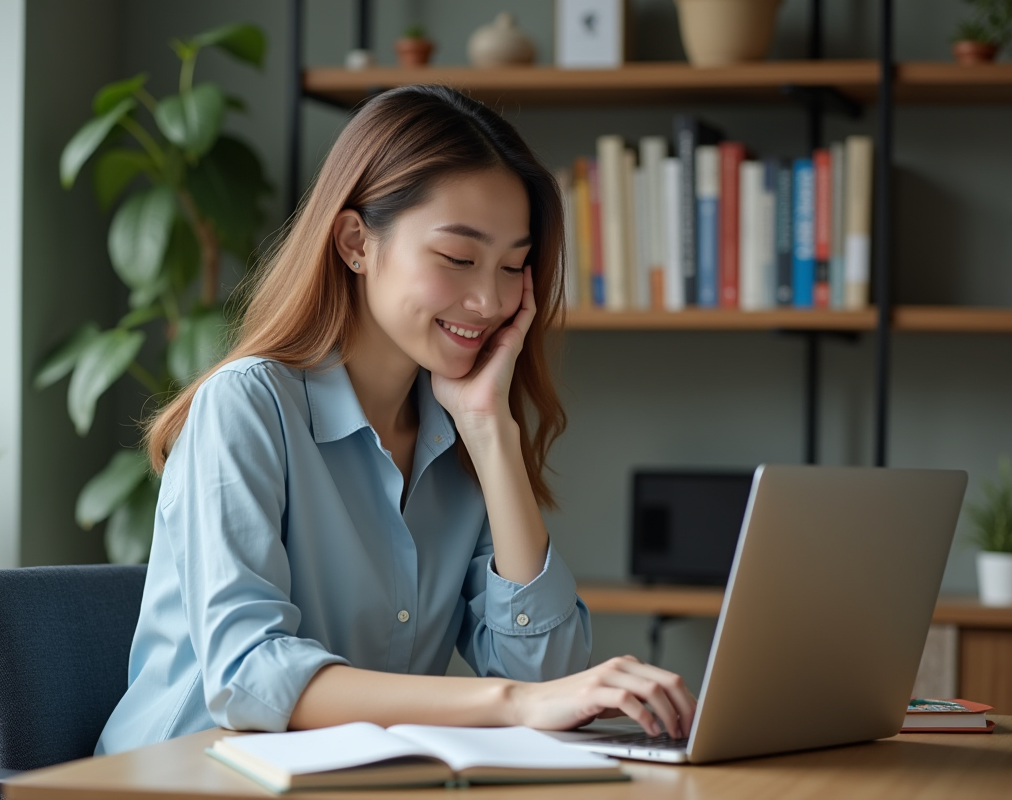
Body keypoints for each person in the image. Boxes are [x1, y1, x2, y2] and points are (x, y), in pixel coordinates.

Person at [95, 85, 696, 756]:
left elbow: (547, 679)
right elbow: (250, 678)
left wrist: (491, 431)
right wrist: (515, 703)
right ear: (355, 241)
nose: (489, 299)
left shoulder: (457, 433)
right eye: (458, 259)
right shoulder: (247, 406)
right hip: (178, 779)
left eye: (513, 267)